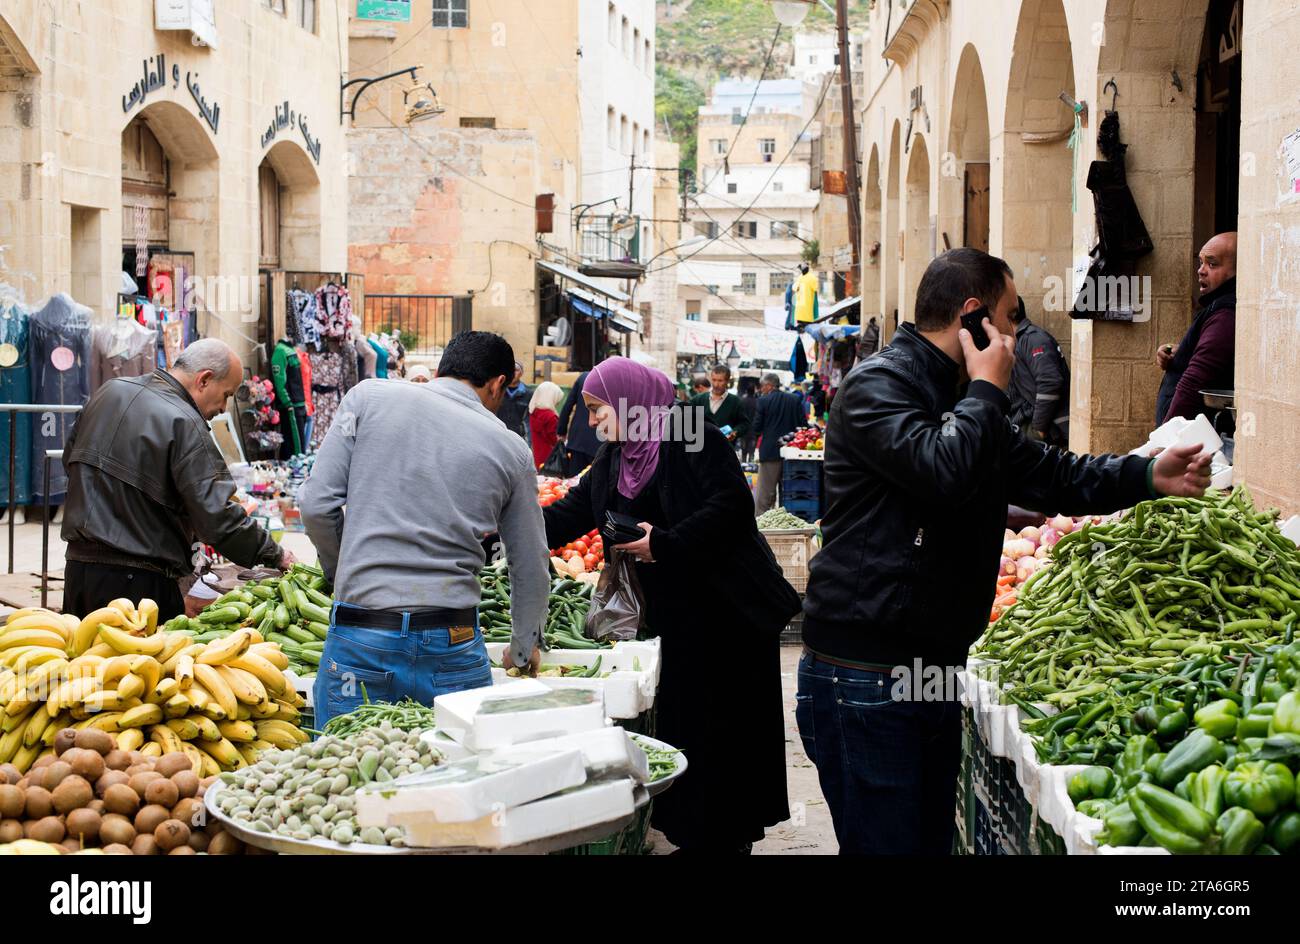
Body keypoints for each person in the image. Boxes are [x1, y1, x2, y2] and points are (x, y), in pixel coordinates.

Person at [797, 248, 1213, 855]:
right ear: (973, 317)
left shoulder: (965, 397)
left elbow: (1050, 473)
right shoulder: (878, 386)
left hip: (932, 667)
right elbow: (942, 469)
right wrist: (988, 388)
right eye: (1010, 317)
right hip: (865, 676)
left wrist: (1148, 478)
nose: (1017, 335)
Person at [543, 357, 799, 852]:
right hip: (674, 619)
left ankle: (726, 840)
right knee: (686, 724)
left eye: (598, 410)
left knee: (725, 728)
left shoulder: (687, 428)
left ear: (627, 400)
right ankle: (693, 835)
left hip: (727, 613)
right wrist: (510, 532)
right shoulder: (617, 455)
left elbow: (730, 505)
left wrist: (667, 543)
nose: (593, 421)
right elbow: (579, 510)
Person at [300, 331, 550, 729]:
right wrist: (523, 646)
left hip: (362, 637)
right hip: (451, 643)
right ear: (498, 383)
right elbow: (531, 563)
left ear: (440, 370)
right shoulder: (511, 449)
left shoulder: (367, 399)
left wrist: (340, 573)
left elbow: (315, 506)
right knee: (456, 775)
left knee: (346, 775)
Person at [62, 339, 292, 620]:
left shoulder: (107, 392)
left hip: (78, 570)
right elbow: (218, 517)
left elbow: (70, 461)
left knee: (81, 659)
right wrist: (275, 554)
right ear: (204, 380)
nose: (223, 408)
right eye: (226, 395)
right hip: (139, 581)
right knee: (137, 663)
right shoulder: (185, 421)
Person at [1156, 232, 1237, 425]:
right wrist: (1181, 352)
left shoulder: (1225, 315)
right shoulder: (1216, 308)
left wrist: (1164, 440)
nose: (1201, 270)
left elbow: (1195, 381)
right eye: (1200, 263)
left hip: (1186, 441)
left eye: (1212, 264)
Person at [1009, 296, 1071, 447]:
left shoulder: (1033, 338)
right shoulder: (1018, 341)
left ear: (1011, 314)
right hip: (1027, 425)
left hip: (1049, 431)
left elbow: (1050, 382)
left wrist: (1038, 431)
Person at [751, 373, 806, 514]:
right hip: (793, 452)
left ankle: (760, 525)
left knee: (765, 494)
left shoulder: (763, 401)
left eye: (762, 387)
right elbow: (803, 425)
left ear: (769, 386)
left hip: (770, 452)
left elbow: (756, 427)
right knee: (788, 492)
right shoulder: (794, 399)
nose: (761, 390)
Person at [689, 365, 749, 445]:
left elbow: (744, 424)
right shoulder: (697, 400)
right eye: (714, 380)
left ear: (727, 381)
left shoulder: (735, 402)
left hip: (725, 450)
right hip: (701, 451)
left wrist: (735, 432)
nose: (716, 384)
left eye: (720, 381)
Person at [557, 370, 601, 476]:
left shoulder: (583, 378)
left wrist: (561, 431)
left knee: (574, 481)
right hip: (600, 442)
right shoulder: (614, 382)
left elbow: (568, 405)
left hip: (578, 439)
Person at [528, 380, 563, 471]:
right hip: (552, 460)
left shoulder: (534, 412)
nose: (557, 403)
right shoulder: (551, 417)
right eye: (556, 400)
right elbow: (555, 440)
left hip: (538, 456)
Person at [495, 360, 530, 440]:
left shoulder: (528, 394)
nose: (512, 373)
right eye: (510, 370)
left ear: (521, 373)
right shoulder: (497, 391)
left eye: (516, 370)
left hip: (519, 438)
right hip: (499, 435)